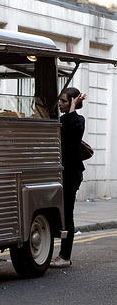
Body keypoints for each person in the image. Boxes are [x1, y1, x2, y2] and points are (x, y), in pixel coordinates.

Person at [50, 87, 86, 268]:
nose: (60, 104)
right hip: (60, 173)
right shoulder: (63, 120)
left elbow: (71, 133)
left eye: (64, 101)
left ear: (73, 102)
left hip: (71, 174)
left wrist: (73, 107)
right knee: (60, 214)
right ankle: (60, 255)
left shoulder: (77, 120)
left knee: (67, 214)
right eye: (61, 101)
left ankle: (65, 257)